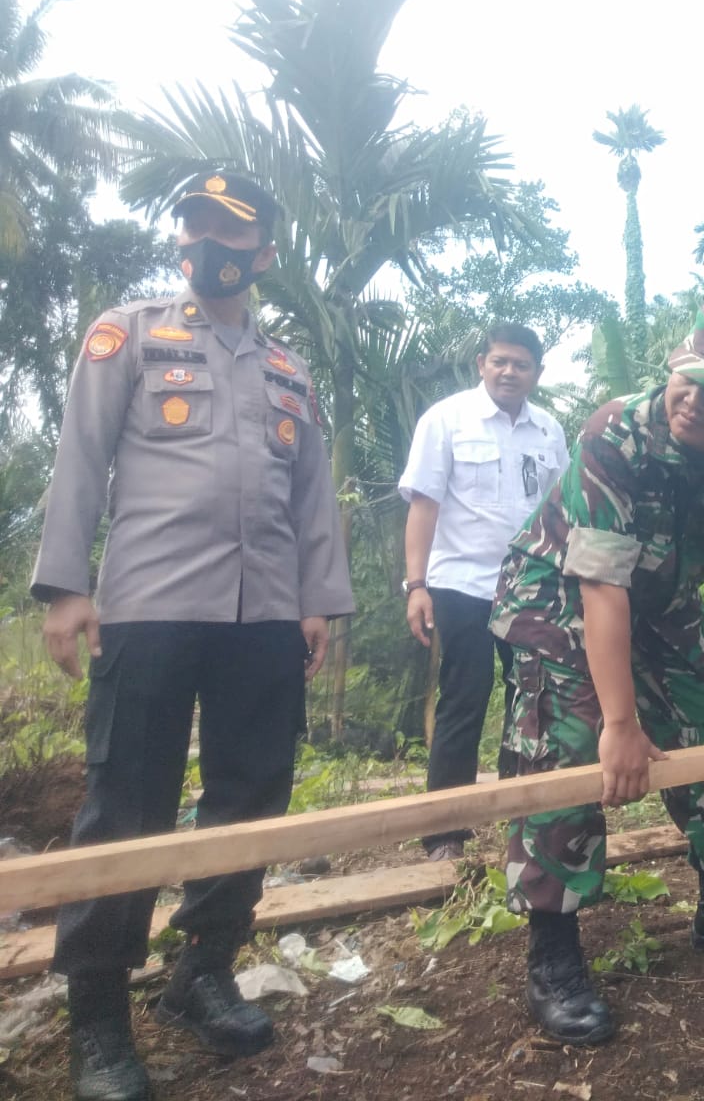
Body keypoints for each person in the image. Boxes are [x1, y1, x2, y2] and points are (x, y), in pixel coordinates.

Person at [31, 171, 354, 1101]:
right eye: (195, 223)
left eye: (226, 228)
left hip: (264, 618)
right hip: (148, 606)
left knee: (251, 797)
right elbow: (81, 455)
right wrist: (65, 587)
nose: (205, 239)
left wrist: (314, 601)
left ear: (265, 253)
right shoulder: (128, 332)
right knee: (125, 804)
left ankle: (203, 971)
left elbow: (312, 499)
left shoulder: (288, 369)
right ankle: (98, 1018)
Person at [490, 300, 704, 1045]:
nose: (696, 402)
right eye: (689, 380)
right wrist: (620, 725)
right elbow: (599, 585)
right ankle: (553, 953)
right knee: (570, 747)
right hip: (557, 592)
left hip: (658, 597)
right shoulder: (616, 431)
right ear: (674, 366)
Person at [398, 324, 568, 860]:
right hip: (462, 584)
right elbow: (423, 507)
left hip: (531, 587)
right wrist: (416, 585)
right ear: (481, 364)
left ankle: (520, 814)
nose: (509, 372)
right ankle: (445, 831)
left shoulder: (549, 432)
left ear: (537, 373)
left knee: (532, 700)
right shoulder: (446, 420)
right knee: (463, 699)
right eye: (500, 362)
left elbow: (561, 513)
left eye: (521, 365)